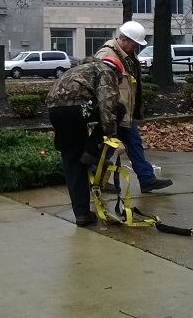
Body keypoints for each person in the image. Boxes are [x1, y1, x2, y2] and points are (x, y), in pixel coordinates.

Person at [46, 56, 126, 227]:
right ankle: (92, 151)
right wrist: (112, 137)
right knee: (119, 108)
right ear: (116, 72)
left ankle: (82, 214)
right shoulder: (105, 70)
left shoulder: (77, 71)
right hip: (78, 109)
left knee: (72, 162)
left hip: (55, 111)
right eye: (119, 80)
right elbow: (108, 105)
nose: (118, 83)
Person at [94, 21, 173, 193]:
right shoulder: (106, 54)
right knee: (108, 148)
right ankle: (97, 179)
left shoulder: (127, 56)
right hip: (114, 113)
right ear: (124, 39)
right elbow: (101, 86)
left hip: (125, 113)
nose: (136, 46)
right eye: (134, 43)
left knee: (134, 144)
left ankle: (146, 179)